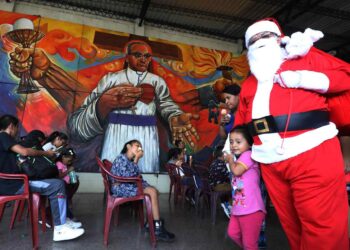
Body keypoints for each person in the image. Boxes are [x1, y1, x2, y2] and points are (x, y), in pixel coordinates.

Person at [234, 18, 350, 249]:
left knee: (322, 228)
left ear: (279, 39)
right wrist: (231, 148)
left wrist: (304, 78)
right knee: (292, 226)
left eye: (265, 36)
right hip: (269, 161)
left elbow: (343, 77)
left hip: (311, 151)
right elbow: (242, 118)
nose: (260, 43)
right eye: (253, 40)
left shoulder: (305, 57)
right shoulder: (249, 83)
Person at [67, 40, 199, 173]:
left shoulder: (157, 81)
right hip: (116, 131)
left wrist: (174, 116)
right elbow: (81, 116)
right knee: (114, 170)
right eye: (138, 55)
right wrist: (103, 104)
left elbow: (166, 104)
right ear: (127, 57)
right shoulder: (111, 79)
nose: (143, 59)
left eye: (147, 56)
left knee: (145, 171)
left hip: (147, 134)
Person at [0, 114, 84, 241]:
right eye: (17, 128)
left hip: (15, 182)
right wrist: (45, 153)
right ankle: (61, 229)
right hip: (15, 185)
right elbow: (25, 152)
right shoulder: (3, 136)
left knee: (56, 182)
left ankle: (63, 221)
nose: (17, 132)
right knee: (57, 185)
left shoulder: (4, 140)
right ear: (11, 126)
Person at [110, 139, 175, 242]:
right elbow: (128, 177)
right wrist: (137, 159)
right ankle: (157, 228)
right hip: (120, 187)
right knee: (152, 192)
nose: (139, 148)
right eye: (137, 146)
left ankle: (151, 223)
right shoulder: (121, 158)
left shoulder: (127, 160)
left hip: (125, 184)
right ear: (128, 146)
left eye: (140, 147)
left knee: (154, 190)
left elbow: (135, 175)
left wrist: (136, 161)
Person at [225, 125, 266, 249]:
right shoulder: (240, 158)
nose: (234, 145)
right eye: (231, 142)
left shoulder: (248, 155)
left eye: (238, 142)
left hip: (252, 209)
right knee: (232, 233)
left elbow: (237, 171)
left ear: (249, 143)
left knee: (249, 244)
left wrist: (230, 160)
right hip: (239, 207)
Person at [55, 147, 81, 224]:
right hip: (61, 185)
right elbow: (60, 176)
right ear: (63, 157)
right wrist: (68, 171)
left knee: (76, 182)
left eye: (71, 161)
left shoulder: (64, 164)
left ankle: (69, 199)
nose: (70, 162)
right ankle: (70, 216)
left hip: (67, 184)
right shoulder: (59, 164)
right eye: (69, 160)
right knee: (64, 199)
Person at [208, 145, 231, 218]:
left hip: (213, 185)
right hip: (219, 186)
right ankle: (229, 206)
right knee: (236, 188)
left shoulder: (214, 162)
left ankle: (225, 203)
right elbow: (229, 175)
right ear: (223, 155)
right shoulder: (222, 164)